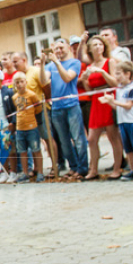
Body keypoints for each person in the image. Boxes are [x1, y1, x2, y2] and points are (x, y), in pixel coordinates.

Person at [40, 38, 89, 179]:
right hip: (57, 107)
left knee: (78, 139)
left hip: (72, 105)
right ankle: (73, 167)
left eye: (62, 47)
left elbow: (68, 78)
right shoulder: (50, 66)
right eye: (56, 48)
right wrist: (43, 64)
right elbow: (43, 81)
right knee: (64, 141)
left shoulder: (75, 63)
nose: (59, 51)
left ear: (67, 47)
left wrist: (56, 62)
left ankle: (83, 168)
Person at [81, 35, 123, 180]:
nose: (98, 47)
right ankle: (93, 169)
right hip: (96, 102)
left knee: (113, 136)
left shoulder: (109, 62)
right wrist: (86, 78)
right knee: (92, 138)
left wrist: (103, 73)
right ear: (90, 49)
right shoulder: (89, 66)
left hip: (108, 98)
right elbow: (88, 89)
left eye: (100, 44)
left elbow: (115, 83)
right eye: (95, 45)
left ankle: (117, 168)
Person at [12, 51, 59, 178]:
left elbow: (46, 87)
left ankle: (55, 165)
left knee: (47, 138)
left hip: (40, 111)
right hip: (27, 116)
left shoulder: (35, 71)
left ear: (24, 60)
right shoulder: (18, 76)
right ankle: (37, 169)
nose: (13, 64)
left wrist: (46, 104)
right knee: (34, 141)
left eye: (15, 61)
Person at [100, 60, 133, 181]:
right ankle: (132, 170)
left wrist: (113, 101)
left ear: (127, 74)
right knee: (128, 149)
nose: (116, 76)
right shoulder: (119, 89)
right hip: (122, 122)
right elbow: (119, 107)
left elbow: (128, 105)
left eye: (118, 73)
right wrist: (110, 102)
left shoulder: (132, 88)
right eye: (115, 73)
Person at [12, 71, 44, 183]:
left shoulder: (32, 95)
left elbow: (38, 108)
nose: (20, 84)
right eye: (17, 82)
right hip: (20, 128)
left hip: (31, 127)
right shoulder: (15, 97)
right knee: (22, 151)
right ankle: (25, 173)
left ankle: (40, 172)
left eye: (21, 82)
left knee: (36, 149)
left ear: (26, 82)